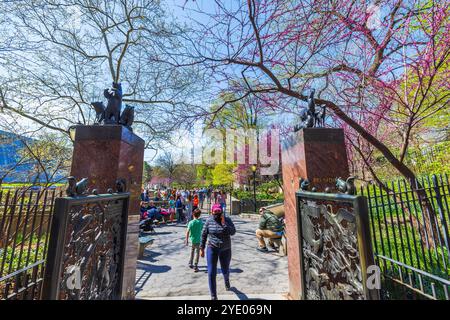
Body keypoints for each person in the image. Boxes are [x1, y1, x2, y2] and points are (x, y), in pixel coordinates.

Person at [200, 203, 236, 300]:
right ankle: (213, 296)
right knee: (211, 272)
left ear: (222, 211)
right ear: (212, 212)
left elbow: (233, 232)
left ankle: (226, 279)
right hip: (212, 248)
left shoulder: (227, 220)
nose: (217, 213)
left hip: (225, 249)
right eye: (215, 211)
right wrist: (201, 248)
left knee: (225, 269)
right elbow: (203, 234)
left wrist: (224, 223)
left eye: (219, 211)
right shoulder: (208, 220)